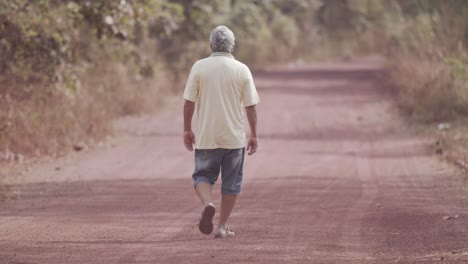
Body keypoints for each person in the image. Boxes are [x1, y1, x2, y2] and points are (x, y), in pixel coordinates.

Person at [183, 25, 260, 238]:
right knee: (231, 183)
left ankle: (208, 203)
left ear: (211, 45)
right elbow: (251, 106)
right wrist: (253, 134)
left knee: (202, 176)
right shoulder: (242, 69)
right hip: (233, 139)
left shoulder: (199, 67)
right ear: (232, 47)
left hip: (207, 136)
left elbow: (189, 102)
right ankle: (222, 227)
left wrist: (187, 129)